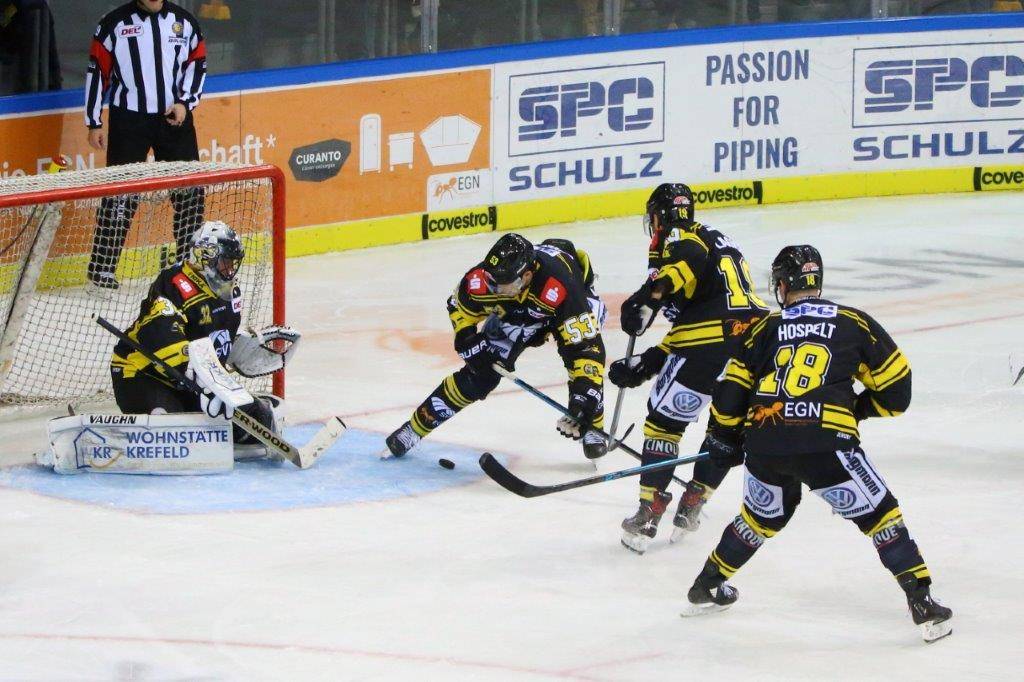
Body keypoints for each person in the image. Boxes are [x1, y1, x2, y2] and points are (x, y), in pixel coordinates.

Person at [682, 245, 953, 643]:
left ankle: (706, 585)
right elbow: (898, 392)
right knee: (880, 515)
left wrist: (726, 437)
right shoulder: (853, 322)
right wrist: (858, 408)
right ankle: (922, 602)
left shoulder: (765, 328)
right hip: (827, 442)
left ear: (782, 285)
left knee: (760, 517)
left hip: (767, 441)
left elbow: (729, 392)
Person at [608, 183, 769, 554]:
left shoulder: (680, 235)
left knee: (664, 424)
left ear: (659, 216)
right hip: (756, 340)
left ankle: (649, 511)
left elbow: (688, 266)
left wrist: (650, 296)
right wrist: (650, 361)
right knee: (726, 428)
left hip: (707, 344)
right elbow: (708, 317)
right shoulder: (721, 240)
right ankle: (695, 499)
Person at [384, 233, 609, 460]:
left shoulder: (562, 287)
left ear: (527, 275)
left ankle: (594, 427)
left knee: (582, 376)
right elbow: (458, 308)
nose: (493, 288)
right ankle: (413, 429)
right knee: (479, 377)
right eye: (491, 279)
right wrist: (467, 338)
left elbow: (587, 349)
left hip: (568, 306)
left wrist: (584, 397)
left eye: (501, 283)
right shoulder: (486, 279)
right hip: (516, 312)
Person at [110, 221, 297, 449]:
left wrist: (240, 350)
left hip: (190, 381)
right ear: (205, 257)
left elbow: (216, 341)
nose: (230, 270)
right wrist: (209, 383)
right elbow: (162, 339)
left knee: (258, 419)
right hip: (143, 375)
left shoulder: (230, 292)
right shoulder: (173, 284)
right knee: (172, 431)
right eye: (225, 262)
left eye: (233, 263)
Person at [84, 0, 208, 289]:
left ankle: (188, 265)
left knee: (190, 193)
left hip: (174, 119)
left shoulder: (185, 21)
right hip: (129, 121)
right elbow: (97, 71)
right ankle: (101, 270)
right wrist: (94, 121)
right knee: (119, 196)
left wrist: (185, 103)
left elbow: (197, 65)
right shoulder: (113, 23)